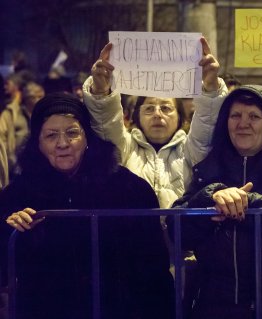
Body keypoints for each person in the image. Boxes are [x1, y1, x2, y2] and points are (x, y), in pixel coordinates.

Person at [0, 93, 174, 319]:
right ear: (38, 144)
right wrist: (11, 229)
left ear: (87, 138)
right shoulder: (19, 193)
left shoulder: (129, 189)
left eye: (72, 133)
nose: (62, 143)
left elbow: (154, 268)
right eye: (51, 135)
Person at [168, 84, 262, 319]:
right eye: (235, 115)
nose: (243, 123)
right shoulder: (208, 169)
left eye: (254, 117)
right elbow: (177, 229)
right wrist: (211, 196)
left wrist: (249, 203)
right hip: (214, 308)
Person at [82, 37, 227, 208]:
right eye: (149, 108)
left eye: (166, 108)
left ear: (180, 117)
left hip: (181, 234)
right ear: (137, 116)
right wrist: (101, 93)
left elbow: (207, 122)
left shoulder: (192, 150)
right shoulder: (126, 148)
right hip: (135, 234)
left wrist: (210, 88)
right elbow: (106, 124)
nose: (157, 114)